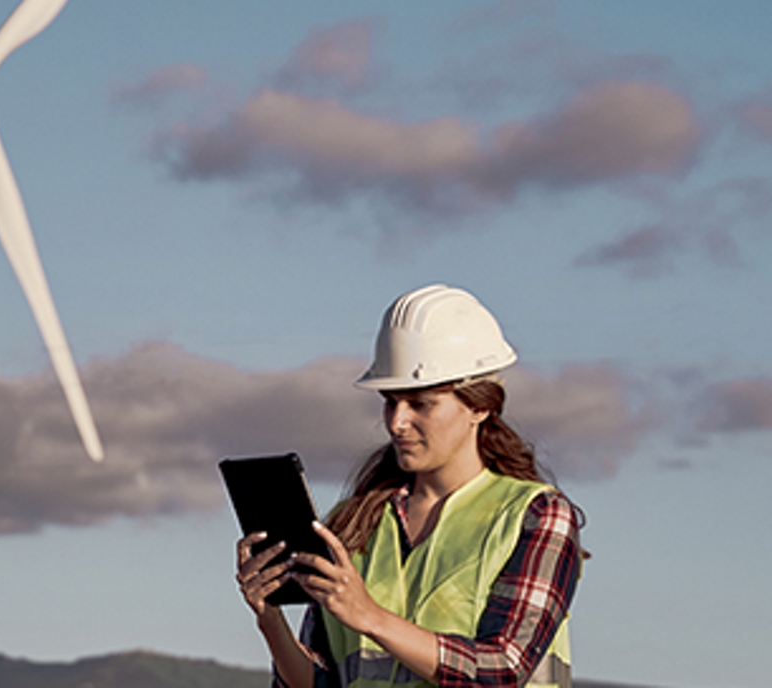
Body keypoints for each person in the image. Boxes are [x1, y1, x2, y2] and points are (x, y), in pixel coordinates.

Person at [236, 284, 583, 688]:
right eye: (390, 401)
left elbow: (503, 669)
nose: (397, 422)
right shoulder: (355, 526)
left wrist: (369, 616)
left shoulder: (535, 515)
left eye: (420, 403)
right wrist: (270, 618)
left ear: (480, 405)